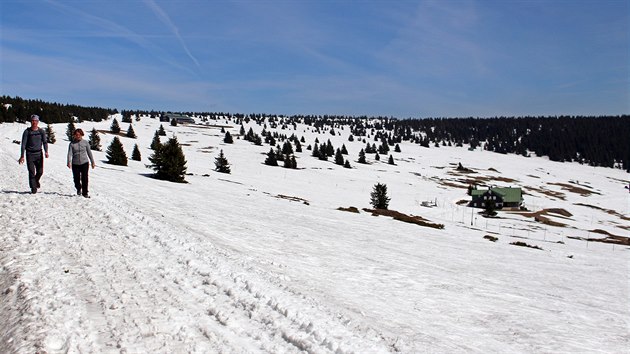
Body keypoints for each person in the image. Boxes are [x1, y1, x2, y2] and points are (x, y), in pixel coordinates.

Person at [19, 114, 49, 194]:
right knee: (31, 171)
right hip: (30, 154)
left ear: (38, 122)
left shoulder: (41, 131)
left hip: (39, 153)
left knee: (40, 171)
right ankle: (33, 188)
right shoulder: (27, 132)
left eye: (35, 121)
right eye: (32, 121)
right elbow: (23, 144)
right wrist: (22, 156)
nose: (34, 122)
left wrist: (46, 151)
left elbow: (45, 142)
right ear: (30, 122)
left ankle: (36, 181)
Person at [67, 128, 95, 198]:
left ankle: (85, 193)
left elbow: (89, 152)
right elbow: (69, 153)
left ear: (82, 135)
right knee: (76, 178)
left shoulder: (85, 142)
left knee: (85, 178)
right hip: (75, 163)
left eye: (79, 135)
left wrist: (92, 162)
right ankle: (78, 188)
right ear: (74, 136)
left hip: (84, 163)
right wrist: (68, 162)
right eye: (76, 135)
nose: (78, 136)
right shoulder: (72, 144)